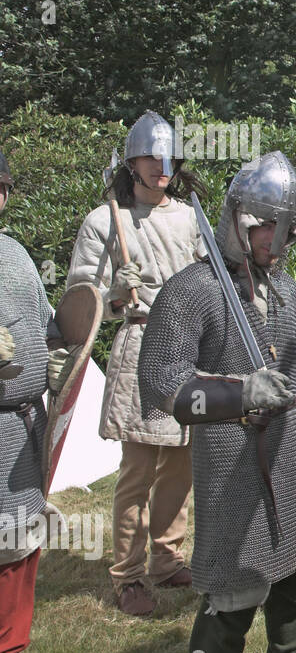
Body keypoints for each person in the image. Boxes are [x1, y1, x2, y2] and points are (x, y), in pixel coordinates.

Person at [138, 151, 296, 653]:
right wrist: (240, 392)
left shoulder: (287, 292)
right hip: (229, 458)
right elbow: (164, 382)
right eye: (265, 227)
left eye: (284, 230)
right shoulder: (192, 290)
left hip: (291, 459)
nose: (274, 242)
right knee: (231, 589)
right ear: (236, 219)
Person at [67, 111, 202, 616]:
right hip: (140, 345)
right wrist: (113, 291)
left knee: (182, 465)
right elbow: (79, 299)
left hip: (187, 348)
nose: (159, 165)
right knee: (138, 470)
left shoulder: (191, 218)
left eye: (167, 156)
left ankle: (167, 560)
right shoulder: (106, 221)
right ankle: (127, 575)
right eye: (149, 155)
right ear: (132, 162)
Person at [0, 146, 79, 653]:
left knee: (19, 537)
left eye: (1, 186)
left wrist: (57, 349)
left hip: (22, 420)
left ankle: (9, 652)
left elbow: (48, 321)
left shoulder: (16, 253)